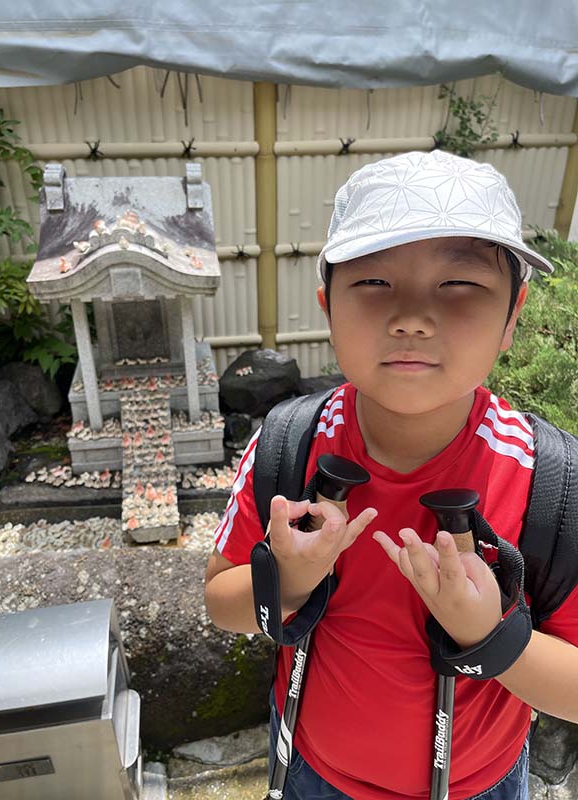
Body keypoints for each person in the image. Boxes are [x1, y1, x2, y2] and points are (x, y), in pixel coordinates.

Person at [204, 150, 578, 800]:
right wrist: (286, 581)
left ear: (512, 317)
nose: (411, 317)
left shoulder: (550, 483)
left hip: (477, 784)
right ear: (328, 307)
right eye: (374, 283)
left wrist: (489, 635)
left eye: (459, 285)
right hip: (309, 769)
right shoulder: (289, 447)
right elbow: (222, 604)